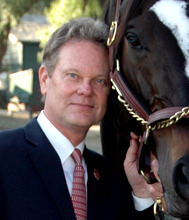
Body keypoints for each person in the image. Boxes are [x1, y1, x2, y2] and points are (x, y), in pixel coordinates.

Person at [0, 17, 163, 220]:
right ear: (44, 80)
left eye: (99, 80)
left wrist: (141, 195)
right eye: (73, 75)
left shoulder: (112, 178)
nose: (86, 90)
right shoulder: (4, 156)